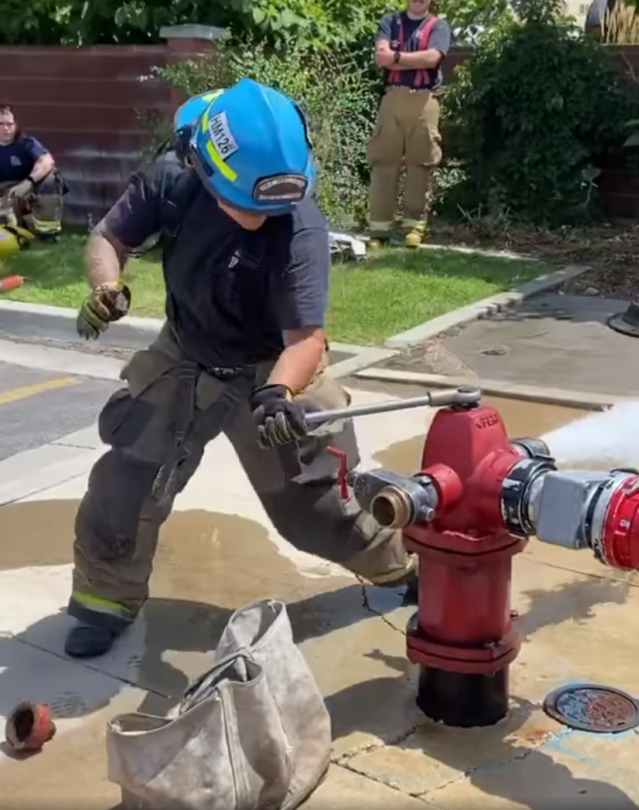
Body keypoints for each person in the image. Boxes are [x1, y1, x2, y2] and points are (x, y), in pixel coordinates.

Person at [65, 78, 417, 659]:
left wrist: (279, 393)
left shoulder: (299, 224)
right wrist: (105, 284)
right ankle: (104, 599)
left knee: (316, 511)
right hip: (184, 352)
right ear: (205, 169)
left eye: (270, 207)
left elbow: (306, 339)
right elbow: (108, 237)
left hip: (273, 365)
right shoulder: (170, 181)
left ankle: (399, 563)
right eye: (246, 205)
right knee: (124, 485)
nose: (260, 216)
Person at [368, 0, 452, 250]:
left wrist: (396, 57)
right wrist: (412, 59)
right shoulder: (390, 22)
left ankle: (413, 228)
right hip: (392, 97)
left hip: (425, 99)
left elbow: (432, 58)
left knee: (420, 164)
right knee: (384, 162)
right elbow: (381, 59)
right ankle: (379, 230)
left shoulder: (439, 26)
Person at [0, 103, 68, 242]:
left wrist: (28, 182)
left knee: (51, 179)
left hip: (30, 186)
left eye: (9, 124)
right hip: (6, 192)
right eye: (1, 124)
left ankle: (48, 233)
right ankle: (22, 225)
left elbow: (47, 161)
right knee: (6, 225)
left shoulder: (27, 143)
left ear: (16, 124)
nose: (6, 128)